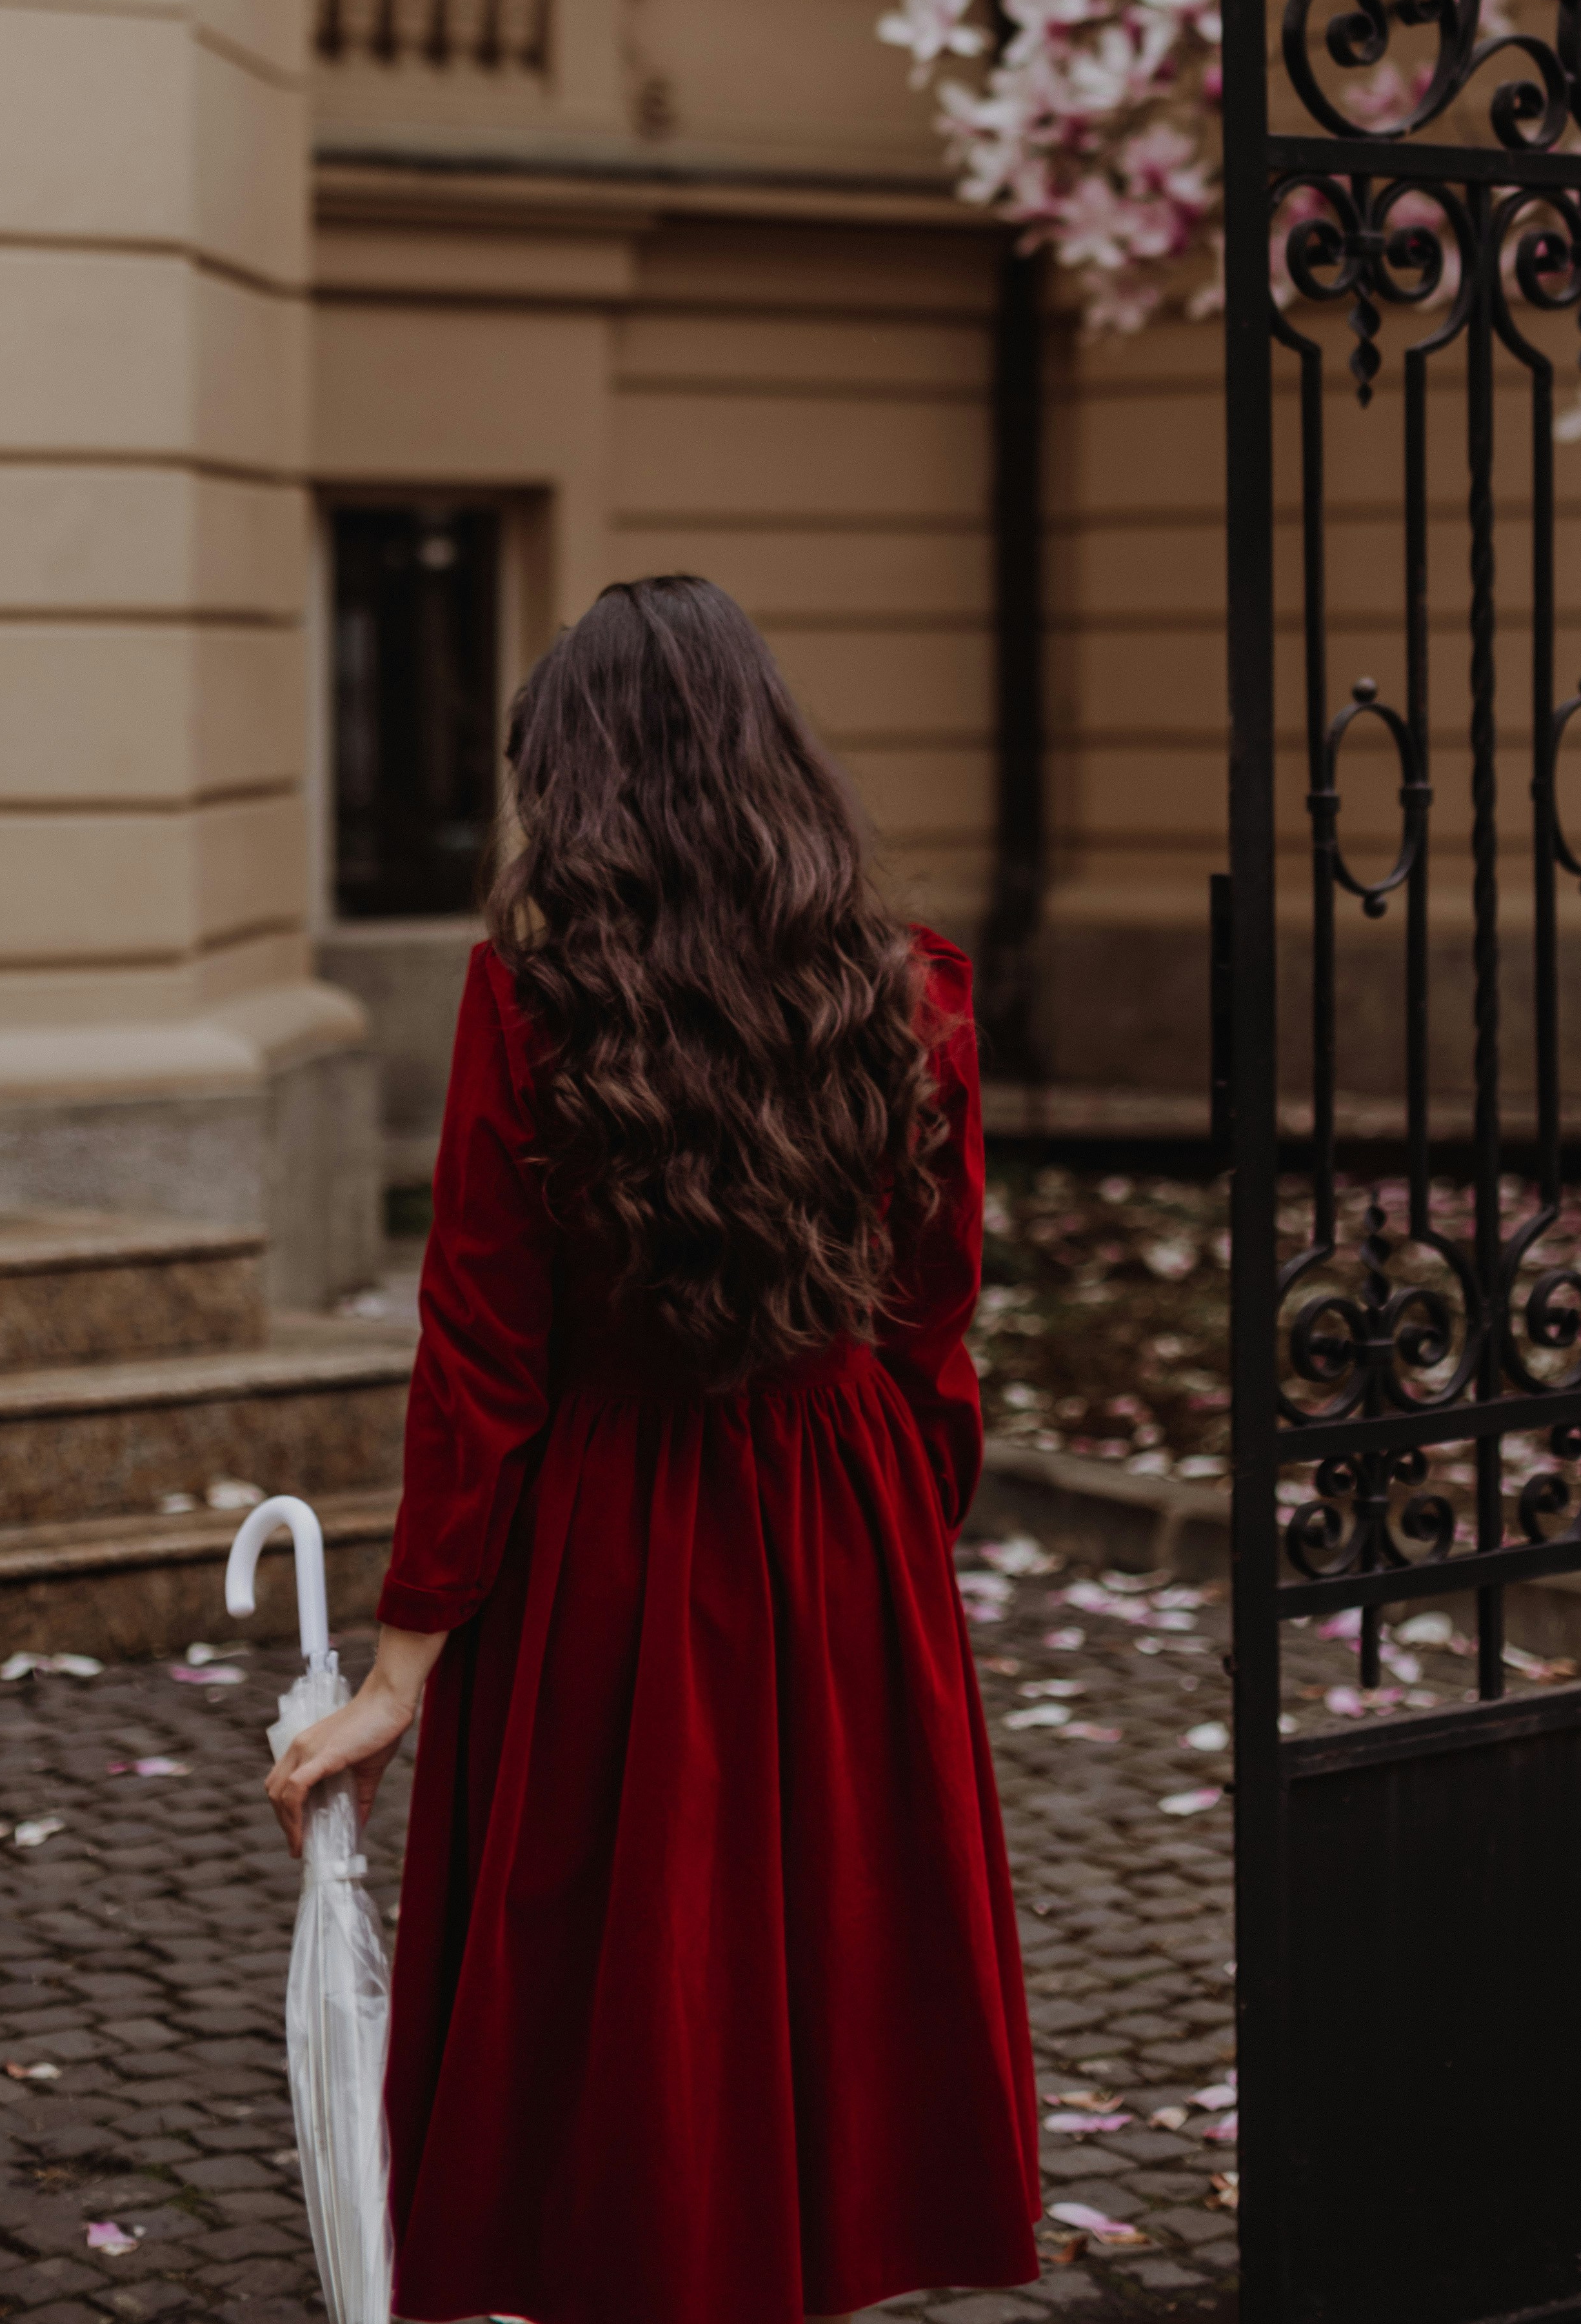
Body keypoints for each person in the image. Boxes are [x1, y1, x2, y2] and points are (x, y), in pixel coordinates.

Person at [264, 573, 1040, 2324]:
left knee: (632, 1965)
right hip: (841, 1513)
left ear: (578, 791)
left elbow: (482, 1349)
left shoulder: (531, 1013)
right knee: (827, 1944)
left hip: (612, 1533)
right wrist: (898, 1532)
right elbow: (936, 1314)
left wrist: (402, 1668)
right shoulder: (909, 993)